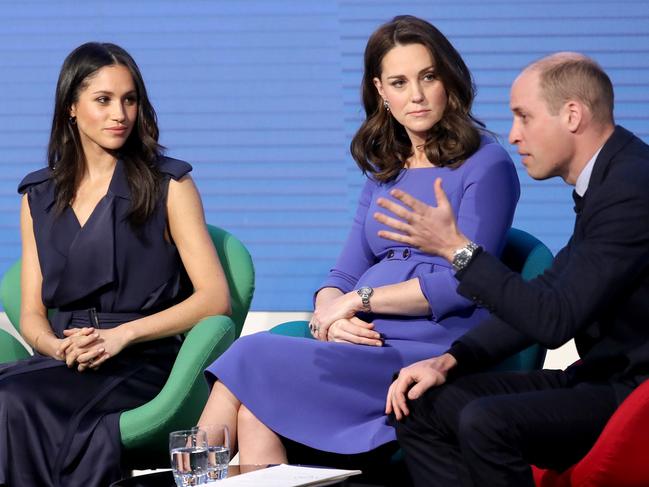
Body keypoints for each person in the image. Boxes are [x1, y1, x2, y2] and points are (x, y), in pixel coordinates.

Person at [198, 15, 519, 465]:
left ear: (449, 79)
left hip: (430, 348)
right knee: (254, 413)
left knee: (249, 352)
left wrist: (359, 301)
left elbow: (463, 281)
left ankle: (191, 471)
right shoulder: (386, 171)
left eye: (429, 76)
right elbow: (343, 273)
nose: (418, 95)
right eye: (400, 82)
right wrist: (329, 316)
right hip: (362, 341)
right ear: (381, 92)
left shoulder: (487, 165)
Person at [375, 52, 649, 486]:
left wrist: (457, 250)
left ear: (572, 114)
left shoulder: (633, 188)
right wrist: (449, 359)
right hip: (598, 381)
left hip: (633, 397)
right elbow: (550, 290)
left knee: (487, 423)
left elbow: (554, 320)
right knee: (419, 405)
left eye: (524, 117)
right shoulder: (608, 180)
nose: (514, 135)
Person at [0, 42, 230, 486]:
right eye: (103, 100)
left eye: (129, 99)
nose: (119, 114)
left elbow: (214, 299)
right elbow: (31, 311)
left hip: (143, 358)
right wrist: (56, 346)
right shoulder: (37, 197)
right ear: (71, 107)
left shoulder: (170, 185)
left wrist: (120, 336)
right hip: (68, 359)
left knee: (11, 400)